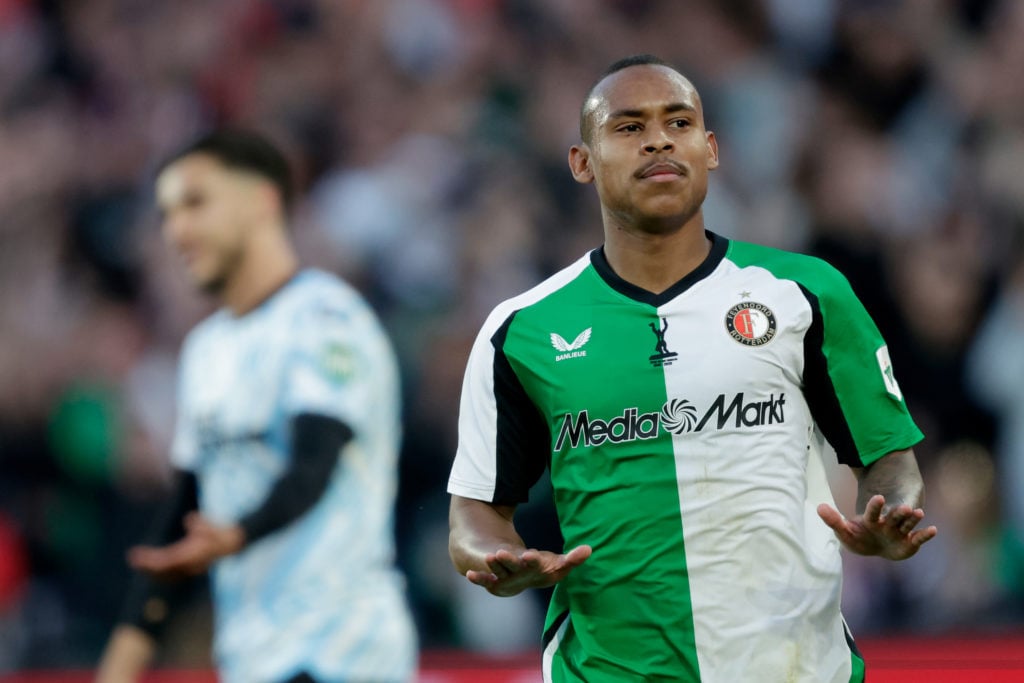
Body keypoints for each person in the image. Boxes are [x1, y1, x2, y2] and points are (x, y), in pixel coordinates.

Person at [446, 54, 937, 683]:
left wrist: (889, 513)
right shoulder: (522, 330)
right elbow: (476, 511)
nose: (657, 139)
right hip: (607, 671)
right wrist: (496, 557)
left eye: (678, 123)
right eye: (628, 127)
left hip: (795, 668)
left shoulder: (807, 293)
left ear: (709, 149)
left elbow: (890, 460)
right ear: (582, 162)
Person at [97, 130, 417, 683]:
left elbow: (313, 465)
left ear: (262, 201)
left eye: (195, 204)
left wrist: (238, 534)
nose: (177, 231)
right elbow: (186, 511)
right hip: (250, 655)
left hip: (340, 650)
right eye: (168, 213)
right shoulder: (206, 349)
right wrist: (128, 651)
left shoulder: (326, 319)